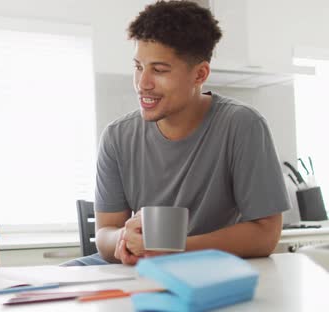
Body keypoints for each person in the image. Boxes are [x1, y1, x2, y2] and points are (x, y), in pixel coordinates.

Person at [64, 0, 290, 266]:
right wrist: (125, 238)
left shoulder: (242, 125)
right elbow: (105, 234)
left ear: (200, 74)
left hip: (208, 265)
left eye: (159, 70)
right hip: (139, 266)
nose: (142, 83)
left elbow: (266, 234)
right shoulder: (117, 136)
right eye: (138, 67)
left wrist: (176, 249)